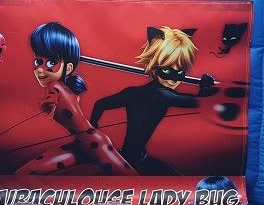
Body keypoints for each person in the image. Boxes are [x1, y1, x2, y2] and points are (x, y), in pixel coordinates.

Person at [91, 26, 215, 174]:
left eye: (180, 71)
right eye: (167, 70)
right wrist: (205, 87)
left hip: (130, 156)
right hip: (135, 162)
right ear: (154, 67)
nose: (173, 79)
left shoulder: (132, 93)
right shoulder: (162, 95)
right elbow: (200, 103)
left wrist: (93, 126)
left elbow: (100, 105)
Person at [17, 21, 134, 175]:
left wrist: (48, 105)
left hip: (96, 145)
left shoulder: (56, 86)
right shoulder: (66, 87)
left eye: (51, 62)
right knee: (26, 173)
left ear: (69, 68)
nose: (40, 69)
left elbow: (53, 100)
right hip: (82, 145)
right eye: (38, 61)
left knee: (132, 179)